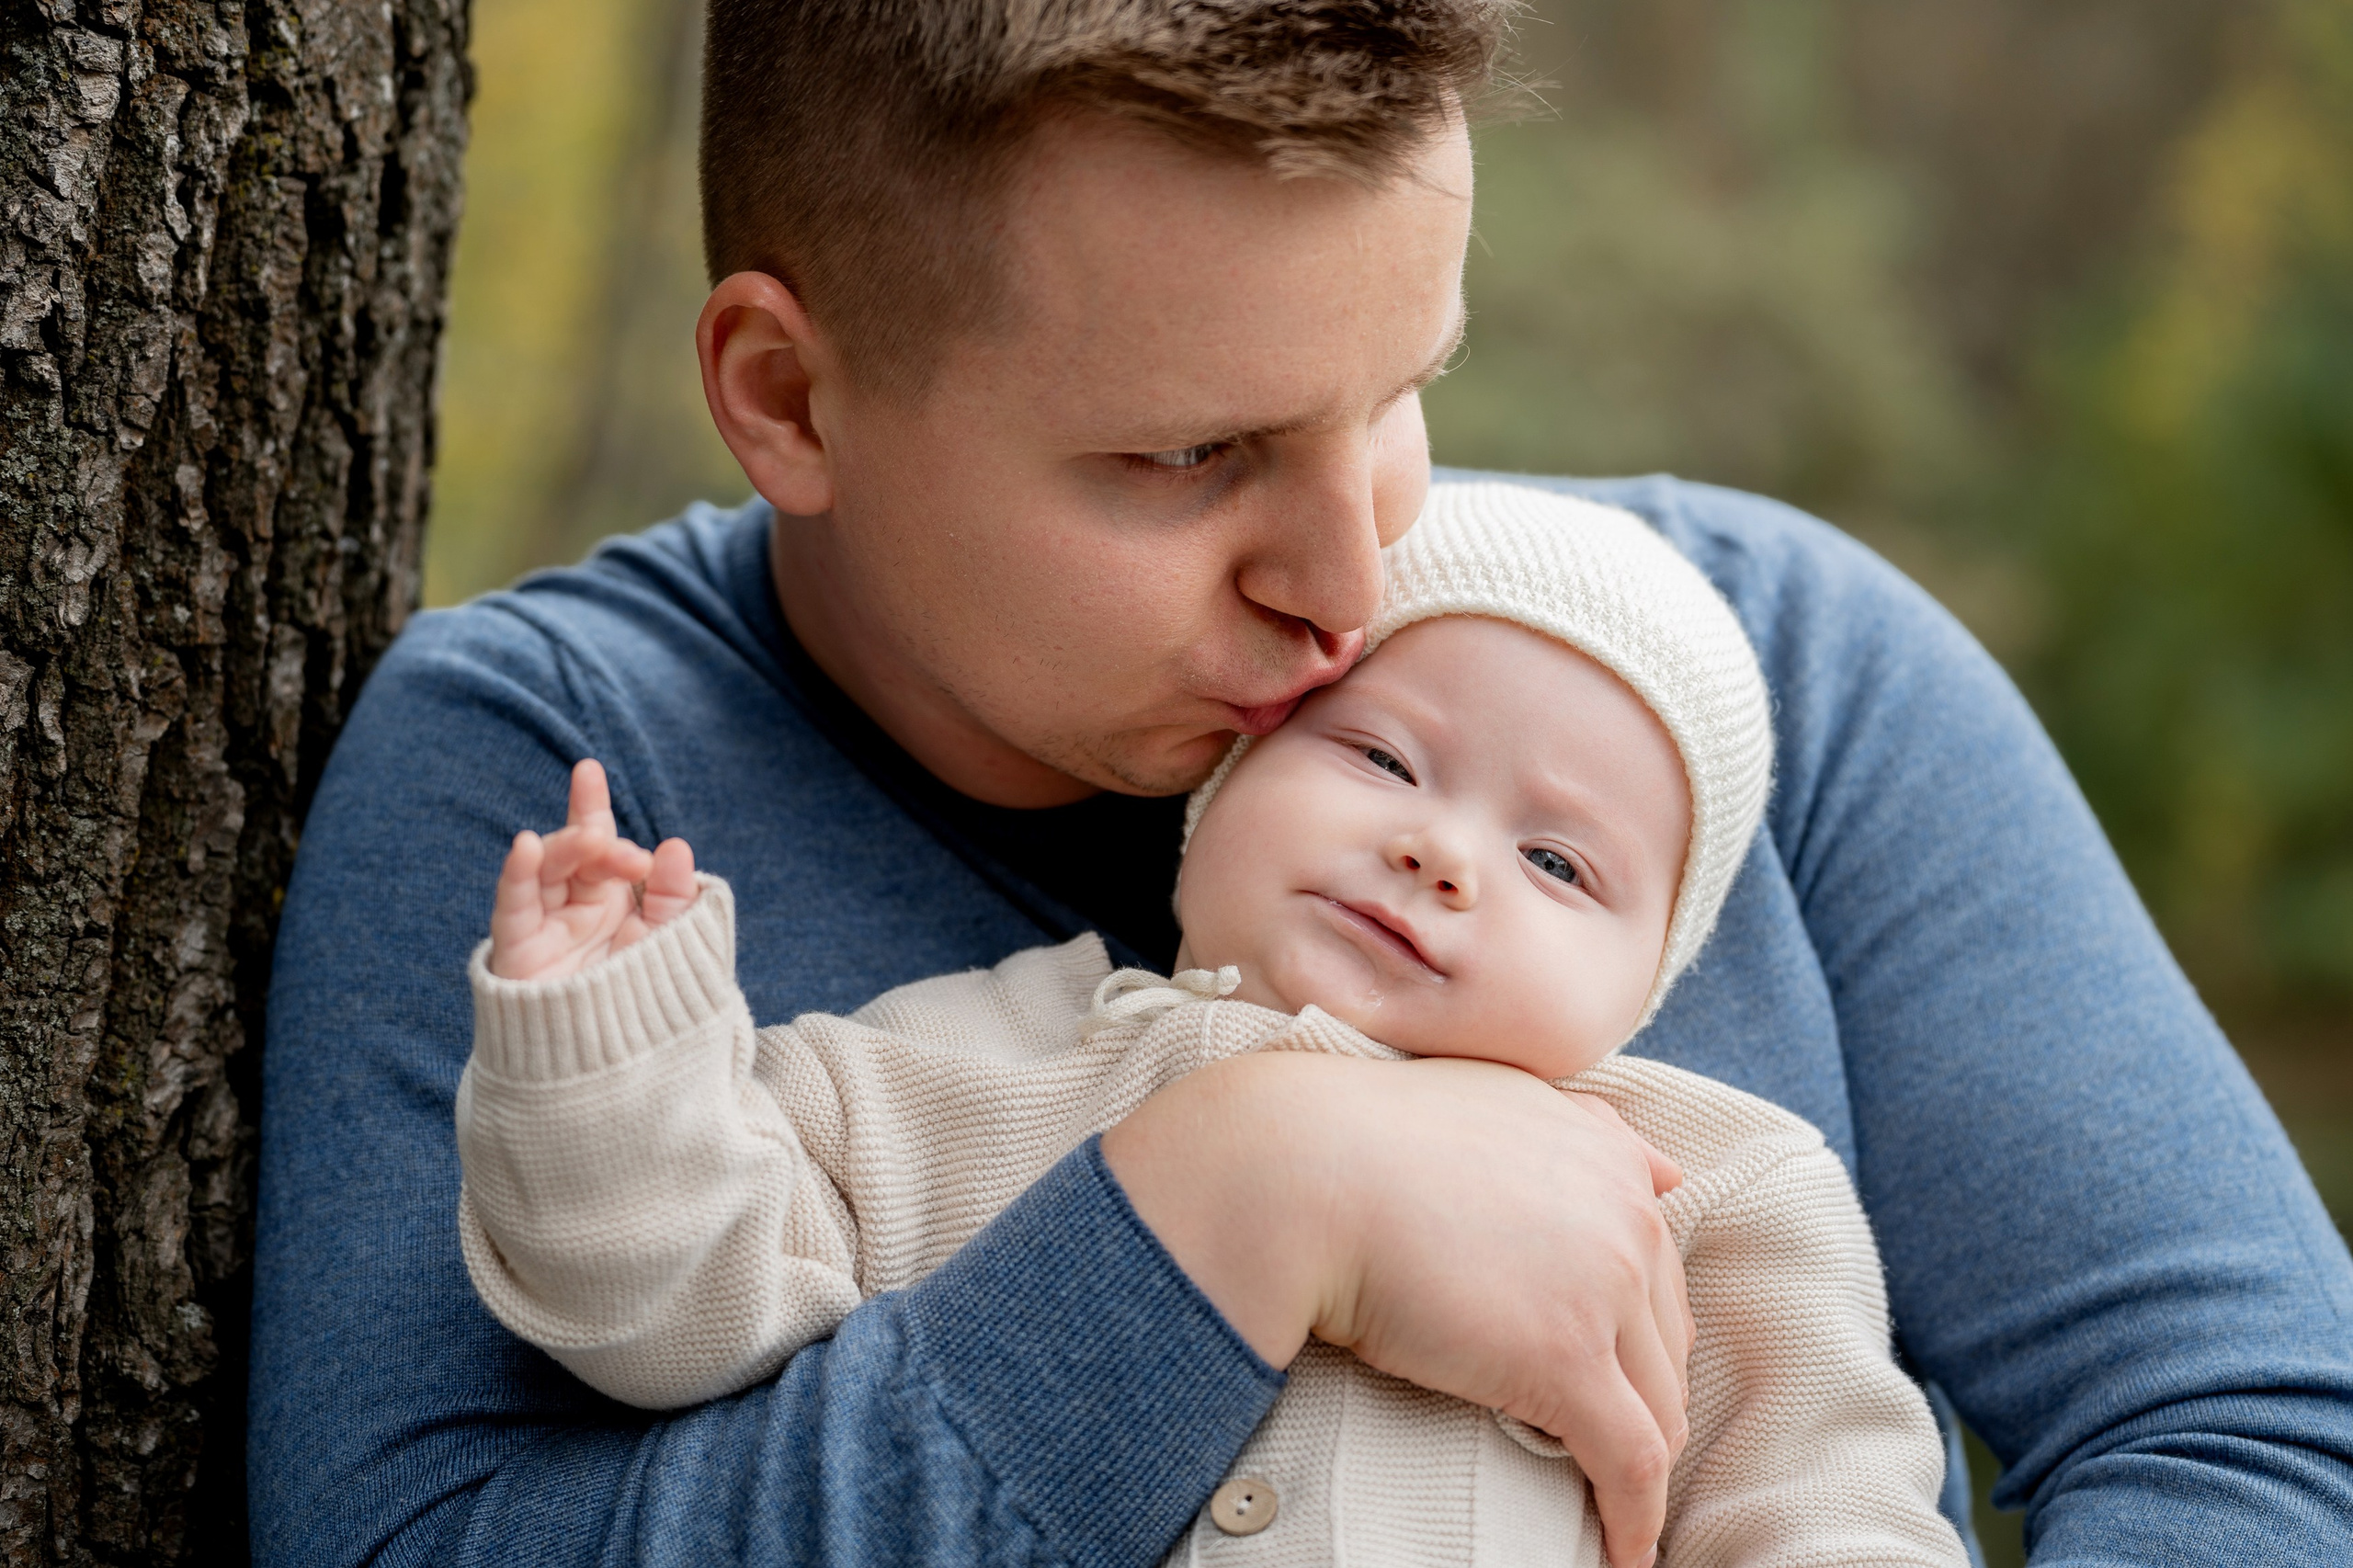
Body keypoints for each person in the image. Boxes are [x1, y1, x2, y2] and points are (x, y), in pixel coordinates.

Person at [247, 1, 2353, 1564]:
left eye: (1401, 392)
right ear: (788, 395)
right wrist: (1240, 1205)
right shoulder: (559, 789)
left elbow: (2248, 1438)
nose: (1351, 580)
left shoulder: (1759, 670)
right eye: (1191, 458)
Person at [451, 483, 1972, 1566]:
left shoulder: (1711, 1188)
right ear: (1224, 789)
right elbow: (668, 1296)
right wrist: (609, 1033)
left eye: (1558, 862)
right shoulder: (974, 1061)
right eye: (1382, 756)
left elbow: (1831, 1510)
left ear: (1647, 982)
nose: (1442, 852)